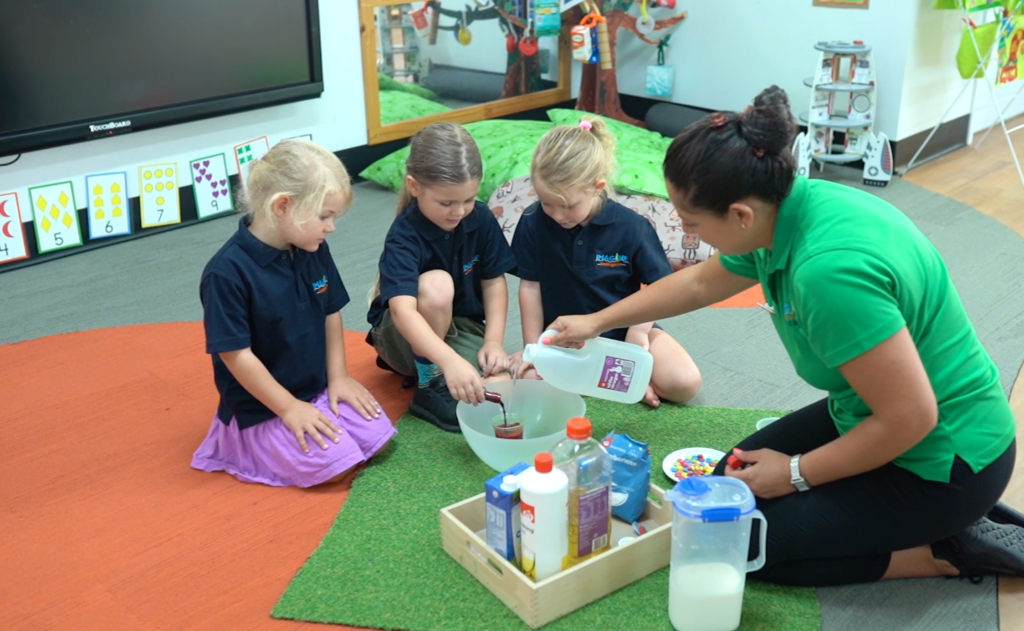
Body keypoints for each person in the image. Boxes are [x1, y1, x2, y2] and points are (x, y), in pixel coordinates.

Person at [544, 86, 1024, 585]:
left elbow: (912, 417)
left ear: (740, 216)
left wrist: (796, 472)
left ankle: (943, 550)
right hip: (873, 412)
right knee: (715, 491)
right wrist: (598, 322)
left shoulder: (828, 274)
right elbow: (703, 281)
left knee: (738, 543)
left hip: (944, 461)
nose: (691, 236)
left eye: (691, 222)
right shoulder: (787, 209)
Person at [192, 140, 395, 488]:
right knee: (337, 466)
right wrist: (288, 408)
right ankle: (238, 447)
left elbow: (331, 311)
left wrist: (339, 378)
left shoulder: (312, 245)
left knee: (379, 439)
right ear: (283, 206)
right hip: (263, 406)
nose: (331, 227)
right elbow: (236, 355)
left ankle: (313, 413)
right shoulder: (226, 273)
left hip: (313, 388)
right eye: (324, 216)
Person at [510, 117, 701, 407]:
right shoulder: (532, 222)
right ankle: (620, 385)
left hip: (625, 330)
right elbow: (530, 289)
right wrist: (534, 349)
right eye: (547, 202)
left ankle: (620, 381)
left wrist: (637, 335)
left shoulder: (632, 227)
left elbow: (660, 287)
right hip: (566, 339)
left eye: (568, 205)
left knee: (685, 383)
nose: (557, 215)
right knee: (532, 386)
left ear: (597, 186)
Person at [367, 122, 516, 432]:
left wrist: (493, 342)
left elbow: (493, 282)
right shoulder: (404, 235)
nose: (459, 211)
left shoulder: (482, 218)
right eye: (446, 203)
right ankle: (427, 382)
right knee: (437, 284)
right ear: (414, 186)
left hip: (457, 328)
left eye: (468, 199)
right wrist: (448, 363)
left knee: (503, 383)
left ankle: (447, 369)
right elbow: (402, 311)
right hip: (403, 337)